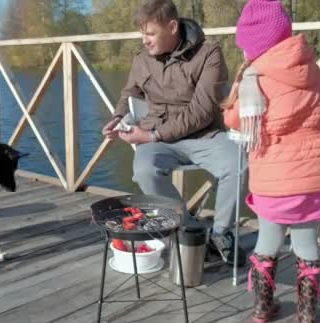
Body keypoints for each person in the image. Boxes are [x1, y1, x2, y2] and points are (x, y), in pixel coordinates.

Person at [101, 0, 245, 267]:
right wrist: (117, 118)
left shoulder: (209, 53)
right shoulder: (142, 59)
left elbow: (202, 112)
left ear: (172, 27)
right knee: (145, 170)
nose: (145, 41)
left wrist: (153, 135)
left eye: (151, 33)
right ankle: (189, 228)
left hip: (203, 135)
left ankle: (220, 233)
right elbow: (130, 93)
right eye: (142, 34)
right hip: (156, 139)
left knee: (238, 164)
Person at [222, 0, 320, 323]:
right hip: (314, 177)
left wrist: (236, 86)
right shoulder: (311, 69)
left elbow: (235, 120)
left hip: (273, 179)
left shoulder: (254, 79)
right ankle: (307, 317)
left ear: (252, 46)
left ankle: (262, 306)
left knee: (267, 242)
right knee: (307, 246)